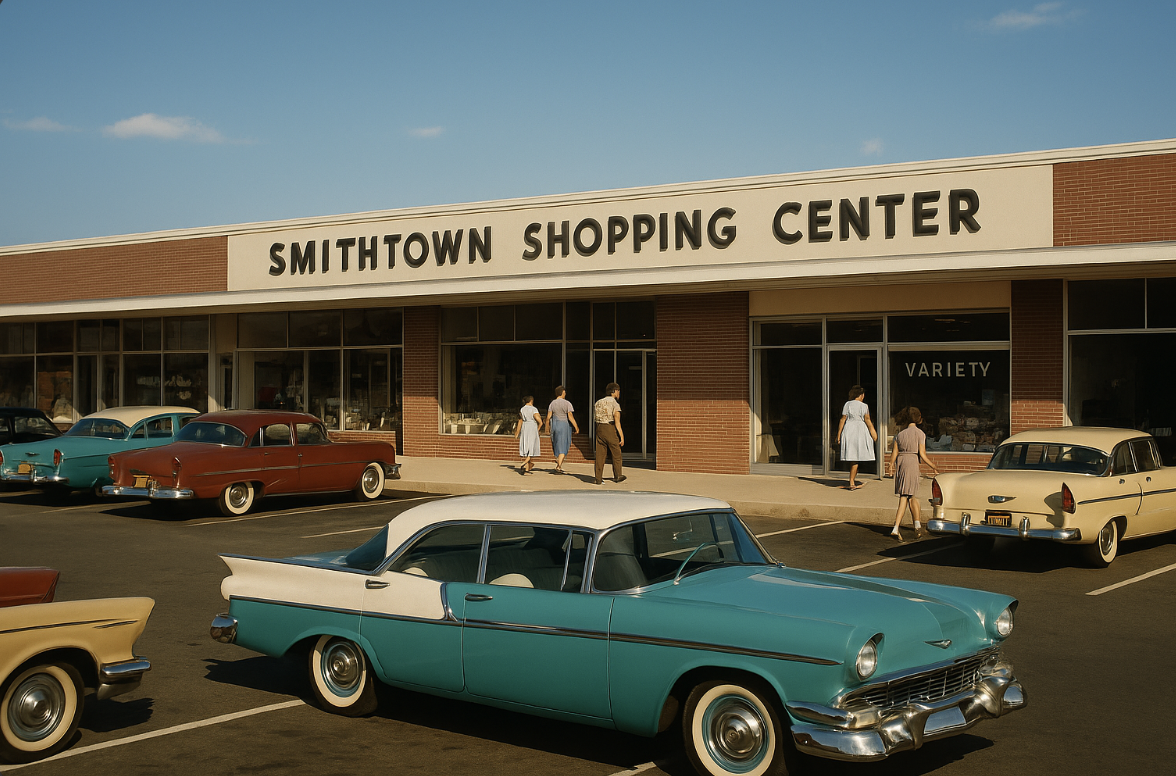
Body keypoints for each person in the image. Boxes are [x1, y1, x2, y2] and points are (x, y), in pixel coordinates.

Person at [886, 407, 939, 542]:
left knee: (910, 495)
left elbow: (894, 453)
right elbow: (922, 454)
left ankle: (917, 525)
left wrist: (891, 465)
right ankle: (897, 527)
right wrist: (933, 466)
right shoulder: (920, 433)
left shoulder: (900, 434)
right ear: (918, 419)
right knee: (907, 495)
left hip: (901, 463)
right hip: (912, 462)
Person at [835, 385, 878, 490]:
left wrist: (839, 434)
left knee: (853, 456)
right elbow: (867, 420)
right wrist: (874, 434)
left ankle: (852, 480)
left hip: (849, 429)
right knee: (856, 456)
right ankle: (852, 482)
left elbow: (843, 419)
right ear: (861, 395)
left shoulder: (847, 404)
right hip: (860, 430)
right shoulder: (864, 406)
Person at [593, 383, 625, 485]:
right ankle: (618, 475)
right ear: (614, 391)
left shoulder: (598, 402)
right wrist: (621, 436)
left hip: (599, 428)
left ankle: (598, 478)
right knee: (616, 452)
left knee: (600, 454)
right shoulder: (614, 403)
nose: (619, 392)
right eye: (618, 390)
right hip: (609, 427)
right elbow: (617, 421)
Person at [545, 385, 579, 473]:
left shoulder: (552, 403)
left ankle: (558, 462)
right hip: (564, 425)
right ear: (562, 393)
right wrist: (576, 427)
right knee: (564, 445)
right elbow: (570, 416)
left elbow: (548, 417)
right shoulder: (567, 403)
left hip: (555, 424)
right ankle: (559, 466)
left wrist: (547, 428)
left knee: (556, 443)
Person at [514, 395, 542, 474]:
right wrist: (538, 429)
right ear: (531, 401)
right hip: (532, 427)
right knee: (532, 446)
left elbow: (520, 421)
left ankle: (527, 468)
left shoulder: (522, 409)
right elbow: (539, 421)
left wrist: (517, 432)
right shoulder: (534, 409)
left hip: (525, 427)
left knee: (527, 445)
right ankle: (524, 463)